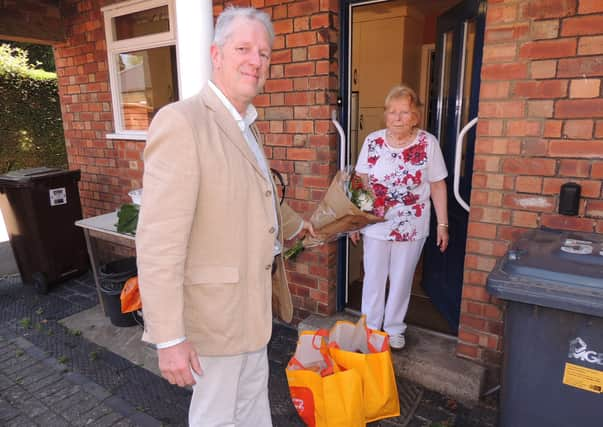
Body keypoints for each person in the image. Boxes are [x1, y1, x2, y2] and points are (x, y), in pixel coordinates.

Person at [135, 7, 314, 426]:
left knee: (253, 407)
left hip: (251, 309)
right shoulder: (182, 122)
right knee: (217, 416)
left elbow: (255, 191)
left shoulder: (247, 125)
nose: (255, 60)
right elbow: (159, 240)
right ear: (216, 54)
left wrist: (293, 224)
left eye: (264, 54)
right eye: (244, 49)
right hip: (214, 319)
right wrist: (170, 337)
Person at [351, 84, 449, 350]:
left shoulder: (428, 143)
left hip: (411, 223)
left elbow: (438, 185)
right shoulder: (372, 141)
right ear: (385, 115)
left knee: (402, 277)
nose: (397, 118)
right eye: (392, 112)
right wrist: (357, 220)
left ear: (415, 116)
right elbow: (361, 181)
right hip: (376, 222)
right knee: (373, 276)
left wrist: (442, 224)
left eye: (404, 112)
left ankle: (394, 328)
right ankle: (370, 328)